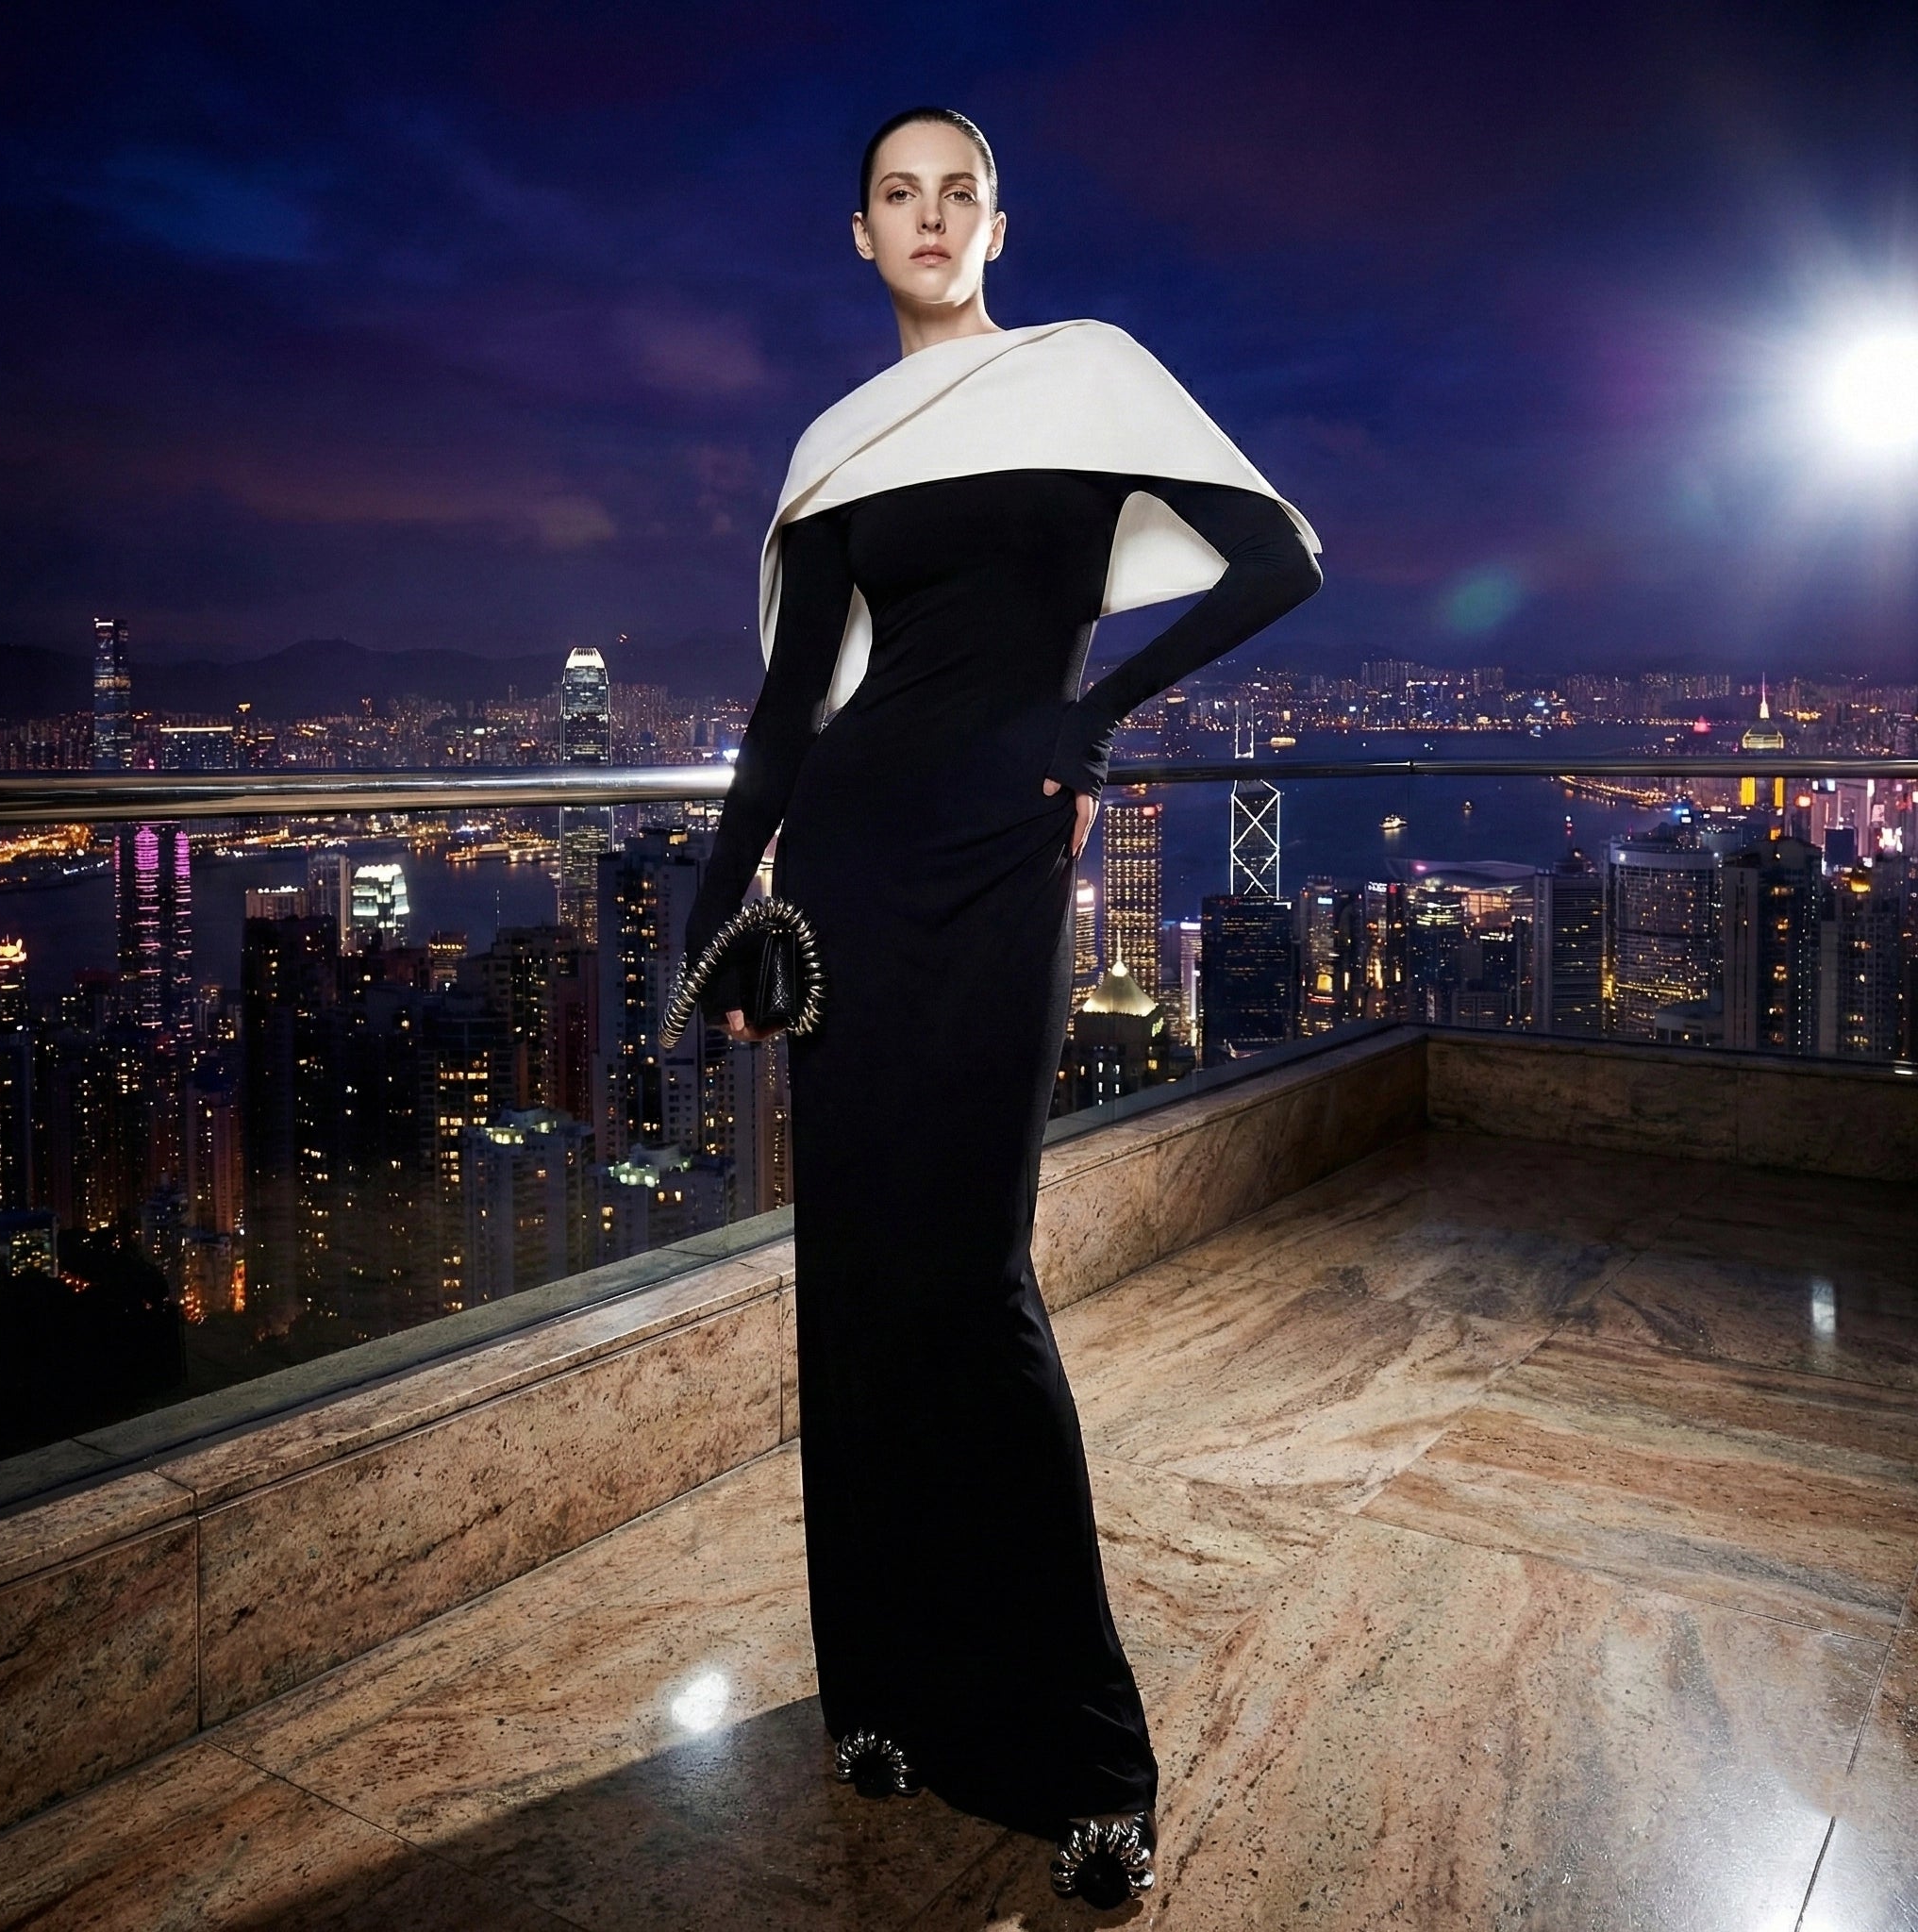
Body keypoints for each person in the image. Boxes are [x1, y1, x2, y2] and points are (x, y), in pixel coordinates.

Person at [677, 105, 1322, 1909]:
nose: (932, 217)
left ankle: (1084, 1754)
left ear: (999, 225)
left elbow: (1279, 564)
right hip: (861, 857)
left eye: (960, 192)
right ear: (860, 236)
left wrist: (1094, 719)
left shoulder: (1087, 379)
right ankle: (877, 1693)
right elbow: (793, 710)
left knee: (973, 1281)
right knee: (862, 1277)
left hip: (1004, 862)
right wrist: (711, 924)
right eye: (900, 195)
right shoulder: (837, 446)